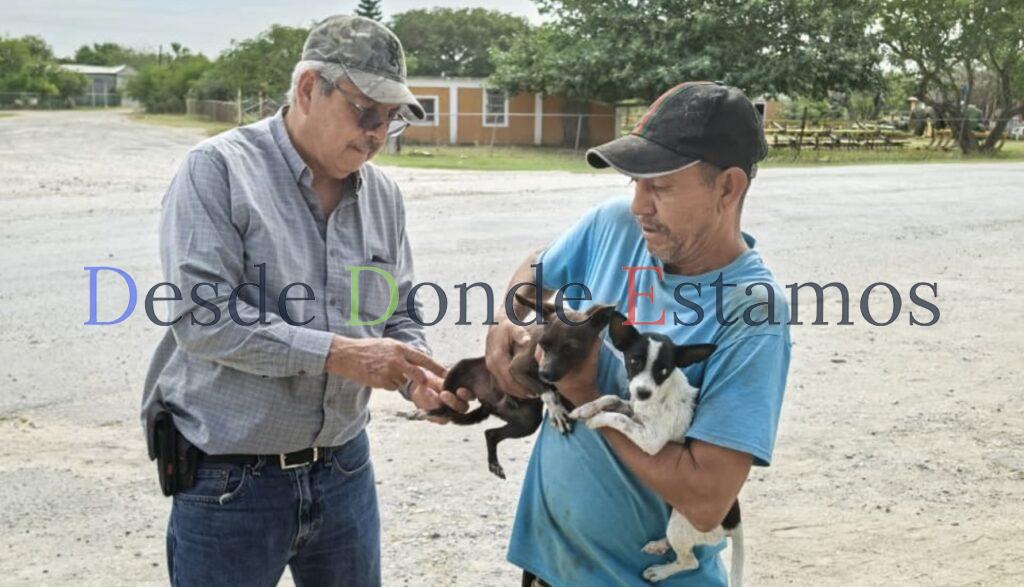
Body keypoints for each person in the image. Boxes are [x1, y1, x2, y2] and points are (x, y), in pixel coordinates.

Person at [140, 15, 462, 586]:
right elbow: (203, 318)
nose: (377, 133)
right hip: (230, 485)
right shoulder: (218, 169)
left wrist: (417, 377)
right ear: (310, 88)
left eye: (391, 120)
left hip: (344, 470)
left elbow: (399, 310)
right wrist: (340, 354)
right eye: (366, 112)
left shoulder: (383, 194)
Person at [483, 81, 792, 586]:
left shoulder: (752, 311)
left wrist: (588, 394)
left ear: (728, 188)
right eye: (635, 182)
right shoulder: (614, 227)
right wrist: (510, 323)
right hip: (548, 568)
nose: (638, 205)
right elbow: (535, 268)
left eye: (661, 186)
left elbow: (707, 498)